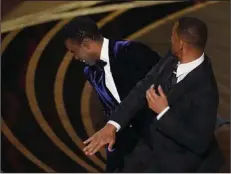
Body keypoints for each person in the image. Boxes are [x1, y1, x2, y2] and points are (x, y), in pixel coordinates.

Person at [83, 17, 224, 172]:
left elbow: (199, 143)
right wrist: (113, 125)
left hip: (180, 164)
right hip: (149, 149)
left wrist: (164, 113)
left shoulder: (206, 90)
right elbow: (144, 86)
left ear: (182, 44)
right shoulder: (172, 57)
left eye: (173, 36)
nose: (170, 39)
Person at [63, 16, 161, 172]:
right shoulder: (91, 72)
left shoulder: (131, 51)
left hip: (161, 135)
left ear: (86, 44)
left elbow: (154, 88)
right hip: (130, 143)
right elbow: (111, 111)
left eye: (74, 52)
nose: (75, 58)